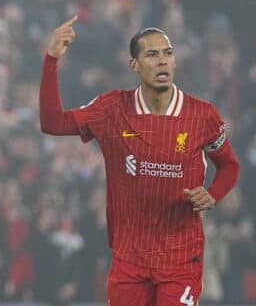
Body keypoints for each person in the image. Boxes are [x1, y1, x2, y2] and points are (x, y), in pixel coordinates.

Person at [39, 16, 240, 305]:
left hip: (180, 261)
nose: (162, 61)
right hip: (129, 260)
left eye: (167, 54)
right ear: (134, 65)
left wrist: (213, 193)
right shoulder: (111, 109)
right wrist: (51, 59)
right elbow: (52, 123)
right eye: (152, 54)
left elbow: (230, 166)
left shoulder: (202, 116)